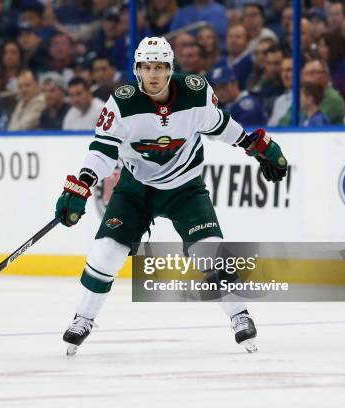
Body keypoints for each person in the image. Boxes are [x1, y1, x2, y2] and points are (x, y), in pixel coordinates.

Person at [55, 37, 287, 356]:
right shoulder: (121, 103)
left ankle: (240, 316)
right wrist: (83, 181)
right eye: (147, 67)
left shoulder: (194, 92)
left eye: (160, 67)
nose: (153, 74)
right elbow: (103, 149)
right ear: (137, 70)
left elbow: (219, 125)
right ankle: (83, 317)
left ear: (170, 69)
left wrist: (253, 145)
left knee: (210, 251)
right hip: (136, 188)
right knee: (106, 251)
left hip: (185, 187)